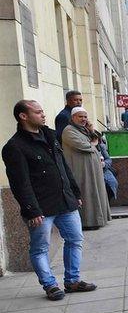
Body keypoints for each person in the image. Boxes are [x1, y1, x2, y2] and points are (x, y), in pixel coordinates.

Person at [3, 100, 97, 301]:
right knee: (40, 248)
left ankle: (72, 280)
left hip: (65, 201)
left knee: (75, 239)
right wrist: (31, 210)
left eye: (42, 111)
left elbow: (62, 166)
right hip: (41, 208)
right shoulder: (15, 146)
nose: (43, 115)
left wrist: (74, 193)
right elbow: (20, 183)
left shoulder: (50, 135)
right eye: (38, 112)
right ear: (23, 116)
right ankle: (50, 285)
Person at [60, 107, 111, 229]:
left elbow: (98, 140)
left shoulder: (84, 129)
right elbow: (83, 145)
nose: (83, 119)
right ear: (73, 118)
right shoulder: (68, 130)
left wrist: (91, 129)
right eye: (80, 116)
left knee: (97, 192)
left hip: (94, 169)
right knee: (87, 193)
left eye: (85, 117)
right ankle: (88, 222)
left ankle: (99, 219)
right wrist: (93, 143)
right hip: (81, 169)